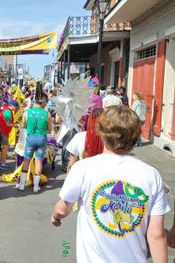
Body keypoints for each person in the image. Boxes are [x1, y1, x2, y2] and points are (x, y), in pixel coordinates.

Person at [52, 106, 170, 262]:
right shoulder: (151, 175)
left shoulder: (83, 168)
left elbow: (62, 208)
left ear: (101, 133)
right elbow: (156, 235)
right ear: (135, 136)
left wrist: (56, 216)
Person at [18, 89, 52, 192]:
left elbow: (23, 126)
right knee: (38, 162)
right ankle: (36, 187)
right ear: (42, 102)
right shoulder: (47, 114)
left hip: (30, 138)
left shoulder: (26, 112)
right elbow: (50, 129)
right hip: (41, 139)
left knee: (26, 160)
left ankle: (21, 185)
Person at [65, 108, 104, 172]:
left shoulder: (79, 137)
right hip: (104, 178)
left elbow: (71, 164)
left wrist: (69, 179)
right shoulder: (111, 138)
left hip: (84, 176)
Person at [0, 99, 19, 170]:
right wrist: (16, 125)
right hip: (2, 132)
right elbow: (8, 123)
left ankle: (1, 161)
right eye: (16, 107)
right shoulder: (7, 111)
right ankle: (2, 163)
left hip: (2, 131)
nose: (16, 109)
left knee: (4, 147)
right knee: (5, 147)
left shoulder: (7, 110)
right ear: (12, 106)